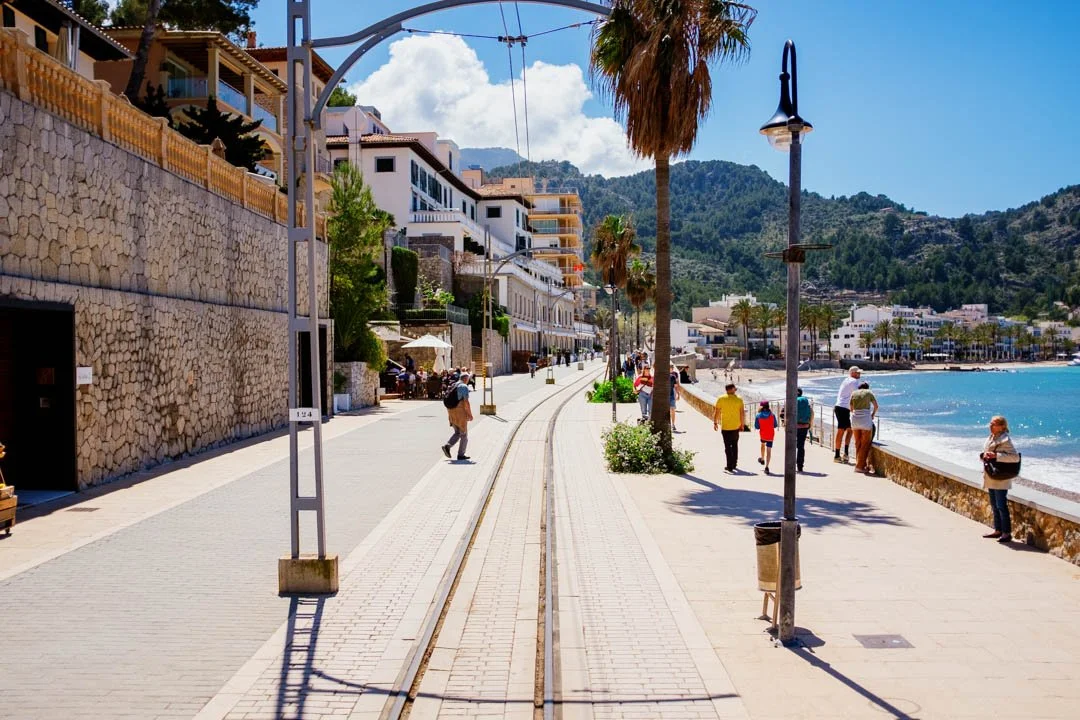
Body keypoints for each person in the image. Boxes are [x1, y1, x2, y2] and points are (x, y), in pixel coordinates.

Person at [981, 416, 1020, 543]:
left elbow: (1015, 458)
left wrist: (996, 455)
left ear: (1002, 426)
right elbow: (986, 451)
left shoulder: (1005, 440)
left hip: (1001, 478)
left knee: (1001, 505)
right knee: (994, 505)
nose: (990, 426)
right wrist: (984, 455)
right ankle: (998, 530)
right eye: (990, 423)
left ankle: (1006, 533)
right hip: (991, 476)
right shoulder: (991, 437)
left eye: (994, 424)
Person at [712, 383, 746, 473]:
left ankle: (729, 465)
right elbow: (742, 413)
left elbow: (717, 412)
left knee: (727, 446)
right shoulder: (739, 399)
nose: (735, 391)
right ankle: (734, 464)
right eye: (735, 389)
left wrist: (715, 422)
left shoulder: (721, 399)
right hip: (735, 426)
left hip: (726, 427)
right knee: (734, 445)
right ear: (730, 389)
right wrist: (742, 425)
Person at [441, 372, 473, 461]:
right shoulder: (463, 386)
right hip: (459, 412)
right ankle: (461, 455)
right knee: (464, 434)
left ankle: (447, 446)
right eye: (468, 379)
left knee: (457, 432)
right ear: (466, 379)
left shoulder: (453, 384)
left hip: (450, 411)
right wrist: (469, 414)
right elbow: (466, 402)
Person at [833, 366, 862, 463]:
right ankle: (837, 455)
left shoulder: (846, 380)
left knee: (850, 429)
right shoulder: (854, 381)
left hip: (841, 407)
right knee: (841, 430)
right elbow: (859, 395)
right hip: (843, 408)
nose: (859, 374)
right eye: (858, 373)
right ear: (852, 373)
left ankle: (845, 453)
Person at [849, 381, 879, 474]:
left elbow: (851, 408)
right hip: (865, 419)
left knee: (857, 443)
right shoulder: (869, 392)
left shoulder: (853, 393)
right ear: (867, 387)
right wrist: (872, 414)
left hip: (855, 419)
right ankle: (859, 467)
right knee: (865, 444)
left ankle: (860, 464)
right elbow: (876, 406)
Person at [754, 401, 777, 474]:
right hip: (770, 435)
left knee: (762, 445)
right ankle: (767, 467)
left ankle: (762, 458)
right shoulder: (772, 415)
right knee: (769, 450)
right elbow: (775, 425)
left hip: (763, 434)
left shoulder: (758, 415)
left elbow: (757, 427)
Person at [795, 388, 814, 473]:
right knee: (801, 446)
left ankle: (791, 464)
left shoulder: (793, 400)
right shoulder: (806, 401)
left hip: (794, 426)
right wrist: (810, 426)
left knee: (791, 446)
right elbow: (811, 413)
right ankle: (800, 466)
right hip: (804, 426)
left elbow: (783, 413)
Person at [669, 366, 682, 432]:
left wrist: (678, 394)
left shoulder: (673, 376)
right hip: (664, 397)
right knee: (669, 411)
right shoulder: (661, 376)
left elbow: (675, 386)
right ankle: (669, 424)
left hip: (671, 395)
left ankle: (673, 424)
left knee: (673, 410)